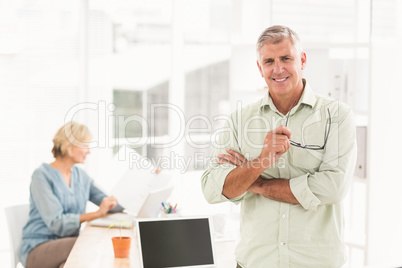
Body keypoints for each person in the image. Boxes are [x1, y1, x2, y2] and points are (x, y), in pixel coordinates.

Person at [201, 25, 357, 267]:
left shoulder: (337, 115)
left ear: (302, 60)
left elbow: (333, 188)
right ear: (259, 68)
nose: (278, 69)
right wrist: (261, 162)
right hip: (254, 262)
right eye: (269, 61)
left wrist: (257, 183)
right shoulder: (239, 120)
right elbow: (213, 189)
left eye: (286, 58)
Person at [19, 121, 124, 268]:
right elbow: (57, 223)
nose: (89, 151)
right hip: (38, 248)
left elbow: (111, 203)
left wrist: (147, 177)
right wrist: (97, 213)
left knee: (72, 263)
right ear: (68, 146)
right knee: (83, 245)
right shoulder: (41, 176)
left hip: (67, 249)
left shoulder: (80, 176)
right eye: (85, 146)